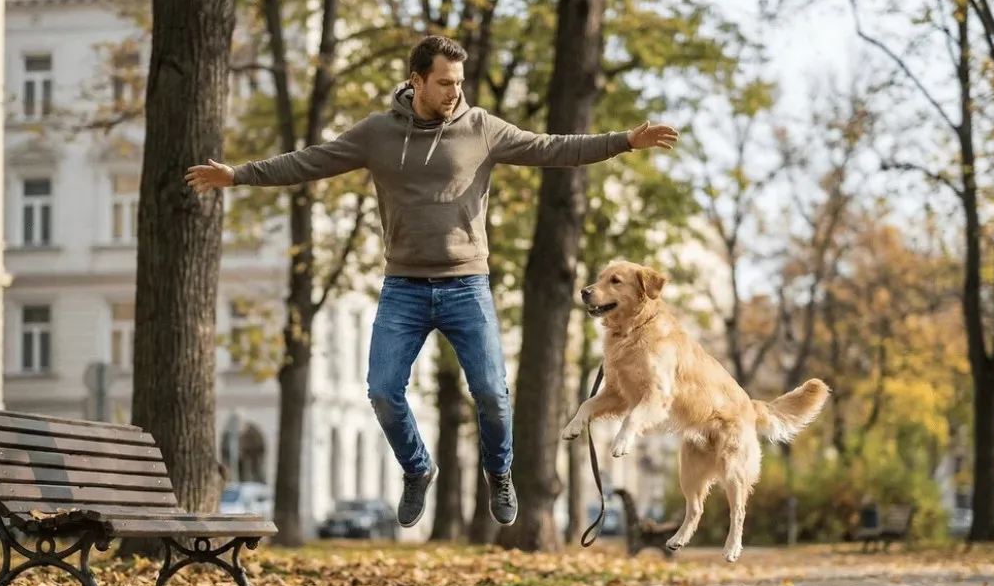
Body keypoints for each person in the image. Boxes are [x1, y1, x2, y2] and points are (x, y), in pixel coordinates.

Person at [186, 35, 679, 530]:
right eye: (444, 83)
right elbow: (310, 159)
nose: (453, 92)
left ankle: (499, 471)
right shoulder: (376, 134)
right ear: (416, 80)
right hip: (404, 286)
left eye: (459, 83)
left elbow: (551, 148)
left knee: (490, 390)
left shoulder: (481, 128)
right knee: (382, 391)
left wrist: (623, 141)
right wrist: (239, 175)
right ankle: (418, 468)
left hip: (467, 284)